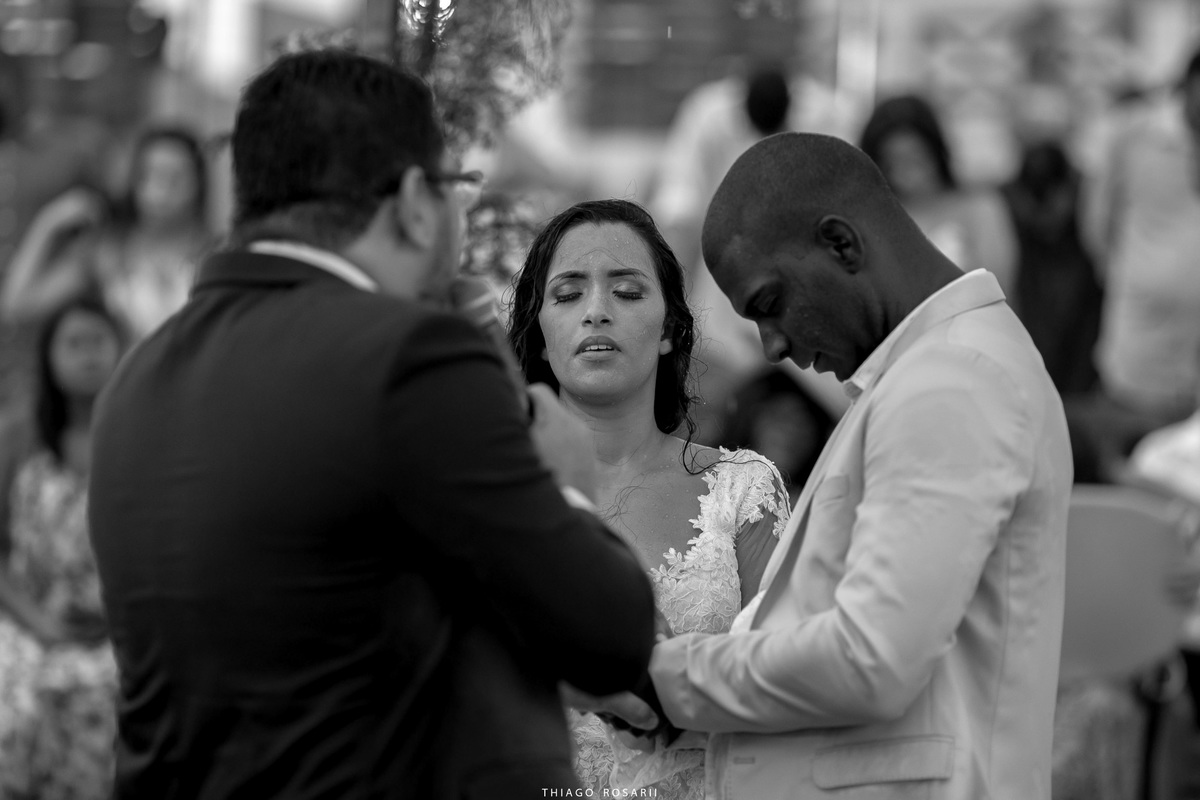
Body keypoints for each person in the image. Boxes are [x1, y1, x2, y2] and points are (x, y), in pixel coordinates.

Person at [86, 48, 657, 799]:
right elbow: (607, 636)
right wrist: (569, 487)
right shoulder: (411, 356)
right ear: (416, 201)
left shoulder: (137, 375)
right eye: (452, 185)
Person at [636, 132, 1073, 799]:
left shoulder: (952, 382)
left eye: (769, 304)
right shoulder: (928, 373)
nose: (773, 346)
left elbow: (872, 659)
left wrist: (666, 677)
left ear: (841, 244)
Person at [507, 198, 790, 797]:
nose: (596, 313)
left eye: (628, 293)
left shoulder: (741, 491)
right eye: (567, 296)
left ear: (669, 331)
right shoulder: (486, 497)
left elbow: (783, 686)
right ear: (539, 334)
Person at [651, 61, 858, 444]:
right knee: (709, 422)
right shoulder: (707, 115)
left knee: (811, 424)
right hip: (720, 309)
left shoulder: (828, 116)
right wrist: (670, 309)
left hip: (806, 302)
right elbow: (678, 210)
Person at [0, 295, 124, 798]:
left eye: (98, 341)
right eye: (74, 343)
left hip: (117, 627)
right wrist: (37, 621)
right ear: (49, 355)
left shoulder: (139, 432)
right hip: (28, 621)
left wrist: (115, 618)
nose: (87, 355)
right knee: (15, 702)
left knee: (109, 701)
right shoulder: (17, 436)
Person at [1070, 49, 1200, 482]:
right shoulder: (1135, 136)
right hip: (1141, 361)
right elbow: (1096, 229)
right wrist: (1148, 280)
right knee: (1136, 488)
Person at [1, 126, 214, 341]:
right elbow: (18, 305)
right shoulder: (107, 251)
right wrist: (48, 223)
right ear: (132, 180)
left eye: (175, 177)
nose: (161, 190)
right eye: (149, 174)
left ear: (200, 183)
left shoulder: (217, 254)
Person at [859, 94, 1019, 302]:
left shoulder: (979, 207)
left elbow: (999, 284)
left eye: (916, 158)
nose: (907, 173)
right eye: (893, 162)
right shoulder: (872, 218)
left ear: (936, 152)